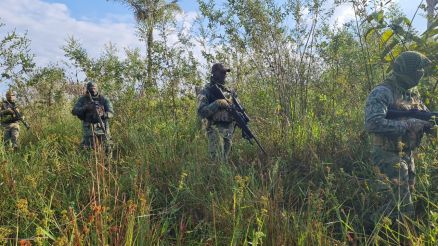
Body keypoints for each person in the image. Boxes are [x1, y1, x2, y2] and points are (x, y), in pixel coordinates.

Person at [364, 51, 435, 224]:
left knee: (403, 203)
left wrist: (430, 125)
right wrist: (408, 124)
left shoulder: (411, 94)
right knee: (401, 208)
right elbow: (373, 123)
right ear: (408, 72)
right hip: (387, 154)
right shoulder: (382, 92)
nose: (421, 74)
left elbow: (425, 117)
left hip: (407, 155)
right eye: (419, 70)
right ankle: (366, 230)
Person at [197, 63, 235, 163]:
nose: (225, 74)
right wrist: (217, 103)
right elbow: (202, 111)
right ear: (214, 73)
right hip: (214, 130)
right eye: (222, 72)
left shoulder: (229, 91)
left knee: (225, 161)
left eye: (225, 72)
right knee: (216, 162)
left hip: (229, 131)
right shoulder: (206, 90)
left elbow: (237, 108)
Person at [72, 81, 114, 153]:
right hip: (89, 127)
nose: (93, 90)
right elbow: (74, 111)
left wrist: (103, 114)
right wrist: (86, 107)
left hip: (102, 126)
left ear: (97, 88)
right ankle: (88, 162)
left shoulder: (104, 99)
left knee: (107, 147)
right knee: (88, 148)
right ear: (87, 89)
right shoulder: (83, 99)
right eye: (91, 89)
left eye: (94, 88)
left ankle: (107, 163)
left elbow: (111, 113)